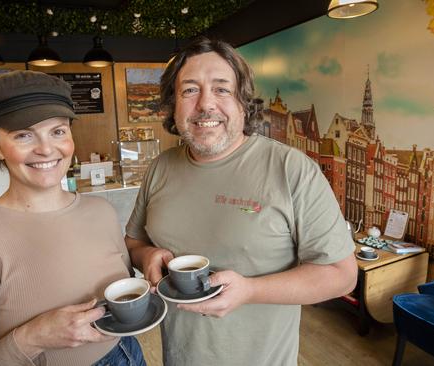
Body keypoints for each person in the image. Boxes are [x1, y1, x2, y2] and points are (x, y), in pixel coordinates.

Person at [125, 37, 358, 365]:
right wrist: (147, 254)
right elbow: (134, 241)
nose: (206, 104)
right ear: (172, 104)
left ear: (242, 102)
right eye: (190, 90)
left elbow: (342, 274)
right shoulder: (159, 168)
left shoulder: (291, 168)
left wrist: (251, 290)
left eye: (221, 89)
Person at [0, 70, 146, 366]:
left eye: (58, 131)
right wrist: (33, 337)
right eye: (24, 135)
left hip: (128, 354)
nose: (46, 149)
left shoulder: (101, 211)